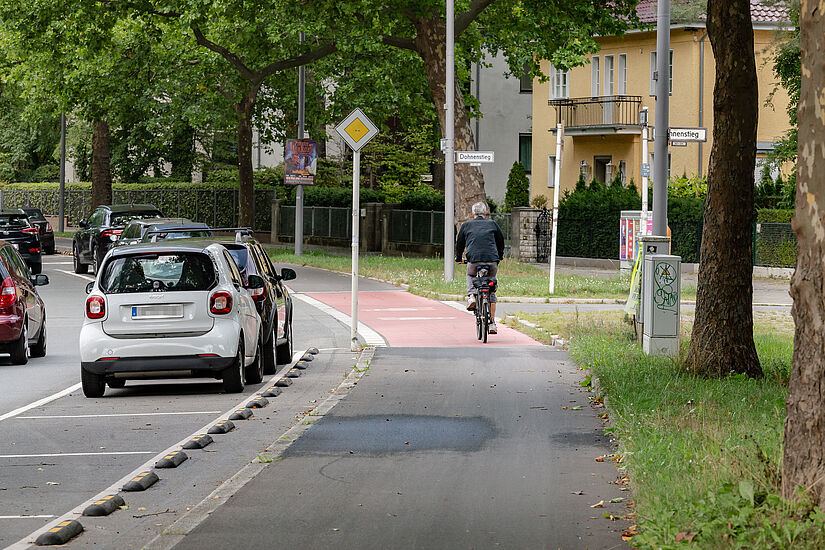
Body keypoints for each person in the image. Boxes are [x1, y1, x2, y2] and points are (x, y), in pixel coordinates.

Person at [455, 201, 505, 334]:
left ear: (473, 213)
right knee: (491, 287)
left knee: (470, 275)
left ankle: (471, 295)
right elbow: (501, 240)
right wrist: (500, 256)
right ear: (485, 212)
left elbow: (459, 243)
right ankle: (492, 323)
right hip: (492, 260)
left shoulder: (466, 225)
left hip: (474, 259)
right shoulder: (492, 224)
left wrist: (459, 258)